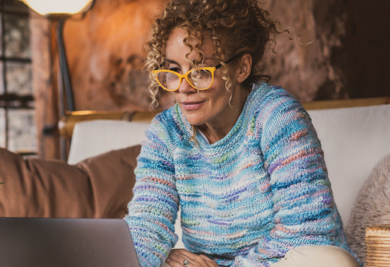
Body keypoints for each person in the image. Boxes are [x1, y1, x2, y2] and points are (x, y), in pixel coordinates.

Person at [124, 0, 360, 266]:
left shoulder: (277, 116)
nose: (183, 87)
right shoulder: (166, 132)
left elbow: (307, 229)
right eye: (174, 71)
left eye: (201, 71)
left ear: (242, 68)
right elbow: (146, 227)